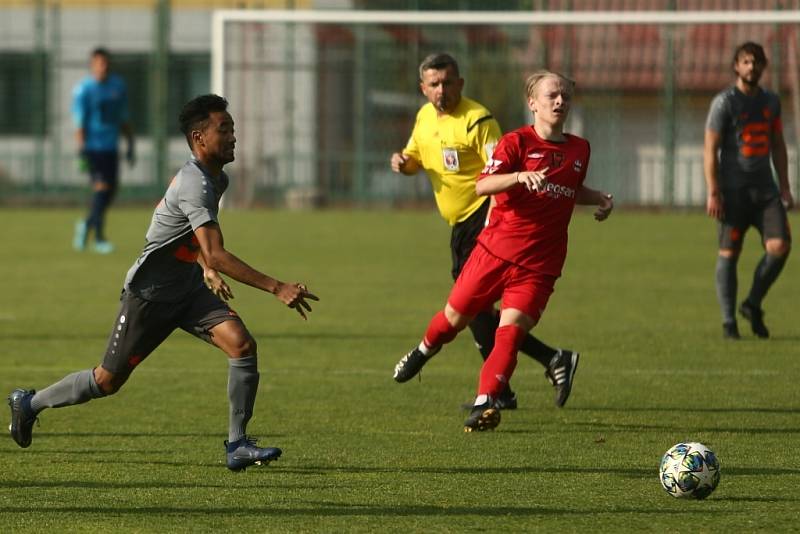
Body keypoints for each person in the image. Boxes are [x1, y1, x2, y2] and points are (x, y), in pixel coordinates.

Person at [8, 94, 319, 471]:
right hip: (149, 297)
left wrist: (205, 267)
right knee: (106, 381)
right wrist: (276, 286)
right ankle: (28, 403)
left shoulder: (216, 178)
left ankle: (237, 444)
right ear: (198, 138)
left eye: (233, 129)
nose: (234, 137)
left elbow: (195, 237)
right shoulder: (195, 182)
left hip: (187, 290)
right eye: (225, 129)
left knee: (241, 345)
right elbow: (217, 251)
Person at [396, 70, 613, 432]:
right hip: (494, 252)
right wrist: (518, 176)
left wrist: (597, 198)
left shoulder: (580, 148)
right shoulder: (516, 143)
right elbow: (483, 185)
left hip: (540, 264)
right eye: (551, 96)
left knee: (509, 333)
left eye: (565, 96)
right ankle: (423, 350)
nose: (560, 102)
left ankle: (486, 402)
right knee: (453, 319)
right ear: (533, 103)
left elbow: (568, 188)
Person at [704, 41, 793, 340]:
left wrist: (785, 187)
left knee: (780, 247)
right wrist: (714, 191)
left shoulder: (771, 102)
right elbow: (710, 149)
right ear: (736, 66)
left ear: (763, 67)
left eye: (756, 62)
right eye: (745, 62)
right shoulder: (724, 102)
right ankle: (729, 322)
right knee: (729, 253)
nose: (751, 67)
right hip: (733, 193)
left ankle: (752, 303)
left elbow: (778, 145)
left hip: (765, 193)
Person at [71, 47, 136, 254]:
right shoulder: (84, 90)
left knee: (110, 192)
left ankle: (86, 224)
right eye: (99, 63)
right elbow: (79, 123)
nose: (103, 67)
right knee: (101, 188)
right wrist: (81, 151)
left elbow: (124, 118)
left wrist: (130, 145)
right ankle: (98, 238)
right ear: (92, 65)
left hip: (111, 147)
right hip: (93, 148)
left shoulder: (117, 86)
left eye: (106, 63)